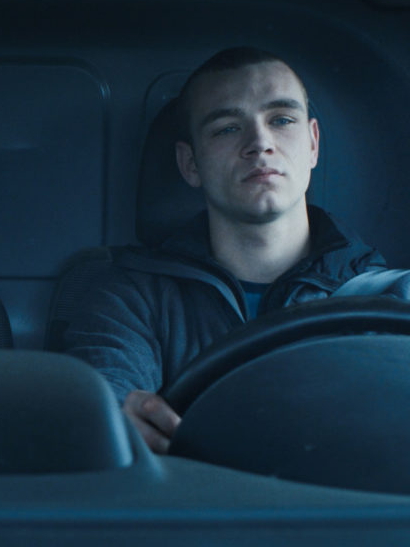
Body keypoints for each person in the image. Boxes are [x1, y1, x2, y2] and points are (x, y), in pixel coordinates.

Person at [60, 47, 385, 454]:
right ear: (190, 164)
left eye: (282, 120)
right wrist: (112, 417)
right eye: (227, 128)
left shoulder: (386, 297)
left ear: (313, 143)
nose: (260, 143)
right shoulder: (129, 297)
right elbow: (103, 390)